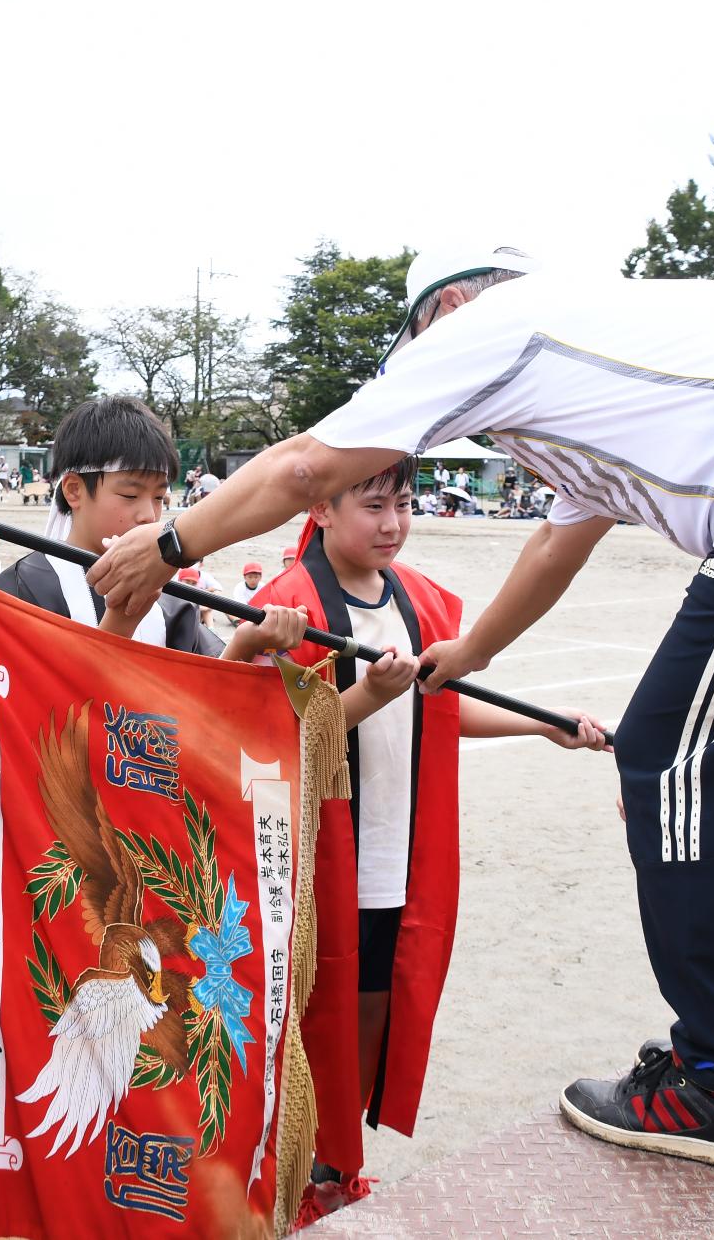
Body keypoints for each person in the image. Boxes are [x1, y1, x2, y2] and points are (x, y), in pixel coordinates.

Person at [90, 244, 714, 1173]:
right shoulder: (604, 359)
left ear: (447, 313)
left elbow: (305, 468)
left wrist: (168, 543)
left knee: (673, 761)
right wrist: (472, 654)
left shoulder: (496, 325)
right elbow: (557, 545)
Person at [252, 456, 603, 1220]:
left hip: (398, 849)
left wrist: (542, 725)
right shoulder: (287, 604)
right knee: (312, 1009)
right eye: (373, 505)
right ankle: (292, 1164)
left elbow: (444, 708)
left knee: (376, 1004)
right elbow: (270, 738)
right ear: (320, 510)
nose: (393, 523)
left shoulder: (428, 605)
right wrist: (365, 694)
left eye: (403, 504)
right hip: (320, 852)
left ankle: (336, 1163)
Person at [0, 396, 303, 660]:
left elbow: (200, 701)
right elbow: (41, 714)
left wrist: (244, 644)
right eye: (130, 495)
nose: (148, 515)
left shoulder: (168, 593)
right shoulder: (21, 590)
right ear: (73, 490)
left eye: (159, 497)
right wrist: (121, 623)